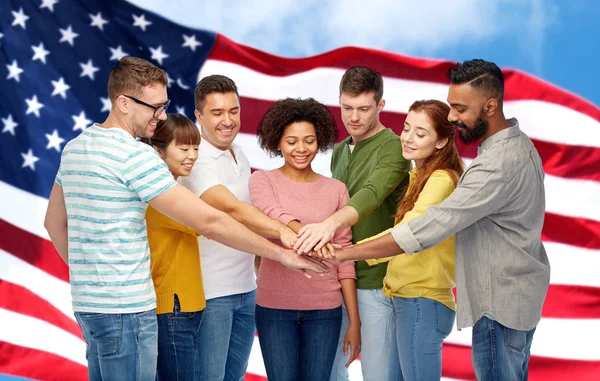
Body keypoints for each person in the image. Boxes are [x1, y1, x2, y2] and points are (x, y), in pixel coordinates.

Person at [43, 57, 329, 381]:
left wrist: (93, 280)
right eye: (154, 107)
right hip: (128, 309)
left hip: (89, 305)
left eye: (163, 106)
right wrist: (281, 252)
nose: (162, 116)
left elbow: (54, 223)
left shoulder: (75, 148)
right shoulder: (135, 156)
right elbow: (211, 221)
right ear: (123, 103)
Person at [325, 59, 551, 381]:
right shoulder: (515, 147)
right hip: (509, 298)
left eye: (459, 108)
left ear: (490, 106)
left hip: (495, 304)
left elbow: (424, 229)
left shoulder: (493, 166)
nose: (452, 117)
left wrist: (344, 253)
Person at [290, 66, 410, 381]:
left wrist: (328, 225)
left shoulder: (395, 148)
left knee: (378, 375)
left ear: (381, 106)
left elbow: (370, 195)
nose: (353, 117)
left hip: (377, 281)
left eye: (363, 109)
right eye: (347, 108)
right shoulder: (340, 150)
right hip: (339, 281)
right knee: (329, 372)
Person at [178, 75, 300, 381]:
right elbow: (231, 209)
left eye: (234, 111)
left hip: (246, 290)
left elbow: (254, 212)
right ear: (199, 116)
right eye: (217, 113)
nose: (227, 120)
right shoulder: (197, 158)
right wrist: (284, 232)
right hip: (211, 295)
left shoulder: (239, 153)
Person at [248, 97, 360, 381]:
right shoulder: (262, 181)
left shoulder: (336, 189)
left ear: (319, 141)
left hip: (325, 309)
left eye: (309, 141)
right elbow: (272, 214)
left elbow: (345, 256)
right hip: (274, 308)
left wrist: (354, 320)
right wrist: (312, 235)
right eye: (292, 141)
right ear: (277, 142)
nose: (301, 149)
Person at [350, 99, 464, 380]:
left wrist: (349, 252)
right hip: (407, 301)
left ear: (440, 142)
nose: (408, 138)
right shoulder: (418, 177)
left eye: (421, 133)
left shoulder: (441, 180)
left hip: (422, 302)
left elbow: (410, 232)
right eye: (406, 128)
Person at [141, 113, 204, 381]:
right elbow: (208, 224)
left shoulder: (174, 189)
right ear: (158, 150)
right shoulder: (162, 196)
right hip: (172, 307)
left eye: (196, 148)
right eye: (183, 148)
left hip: (185, 304)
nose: (192, 155)